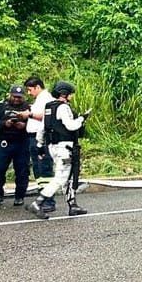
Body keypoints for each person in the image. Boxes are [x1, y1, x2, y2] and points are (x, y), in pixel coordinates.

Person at [26, 81, 89, 218]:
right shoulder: (63, 108)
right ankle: (38, 203)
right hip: (65, 147)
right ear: (64, 94)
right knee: (61, 178)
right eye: (70, 94)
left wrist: (39, 146)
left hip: (53, 147)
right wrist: (82, 119)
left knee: (67, 177)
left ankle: (73, 205)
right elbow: (71, 126)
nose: (71, 97)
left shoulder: (48, 107)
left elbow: (42, 129)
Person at [0, 85, 32, 205]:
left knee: (22, 171)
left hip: (22, 142)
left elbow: (36, 124)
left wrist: (24, 126)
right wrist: (4, 123)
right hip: (4, 142)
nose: (17, 99)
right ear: (10, 95)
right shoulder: (1, 106)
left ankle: (19, 196)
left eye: (19, 97)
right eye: (14, 97)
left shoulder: (28, 108)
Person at [24, 76, 57, 212]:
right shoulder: (38, 100)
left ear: (38, 87)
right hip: (32, 137)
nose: (29, 93)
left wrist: (29, 115)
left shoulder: (47, 99)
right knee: (38, 170)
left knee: (45, 169)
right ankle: (42, 198)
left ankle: (49, 200)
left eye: (30, 90)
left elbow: (46, 117)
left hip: (42, 139)